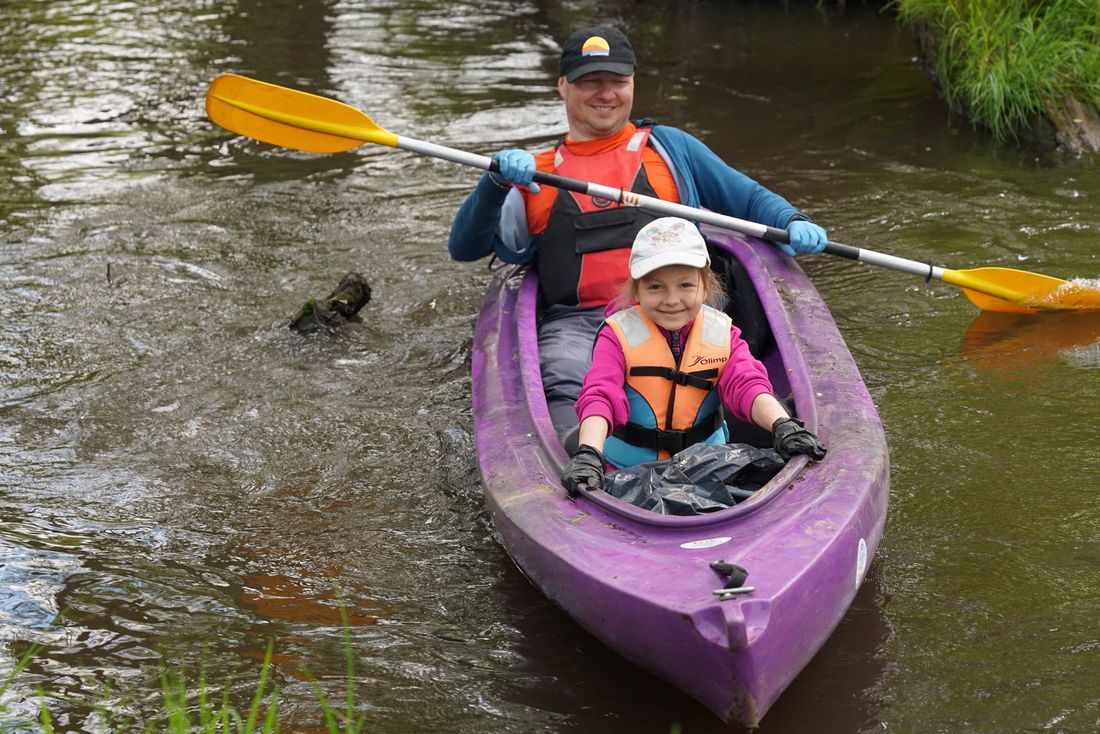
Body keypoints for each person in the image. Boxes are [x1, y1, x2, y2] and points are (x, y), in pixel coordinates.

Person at [447, 25, 828, 434]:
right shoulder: (533, 174)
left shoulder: (668, 147)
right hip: (579, 325)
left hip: (679, 310)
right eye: (590, 82)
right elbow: (465, 247)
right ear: (562, 86)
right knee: (564, 378)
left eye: (617, 82)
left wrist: (791, 220)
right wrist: (494, 184)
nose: (606, 93)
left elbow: (746, 197)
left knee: (729, 371)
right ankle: (577, 461)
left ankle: (764, 435)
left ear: (632, 85)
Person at [559, 217, 826, 497]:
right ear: (636, 289)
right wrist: (589, 454)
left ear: (704, 284)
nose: (672, 300)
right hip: (626, 471)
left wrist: (782, 426)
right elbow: (600, 395)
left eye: (685, 285)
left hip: (707, 468)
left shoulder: (722, 333)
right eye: (655, 287)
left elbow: (748, 384)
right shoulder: (616, 336)